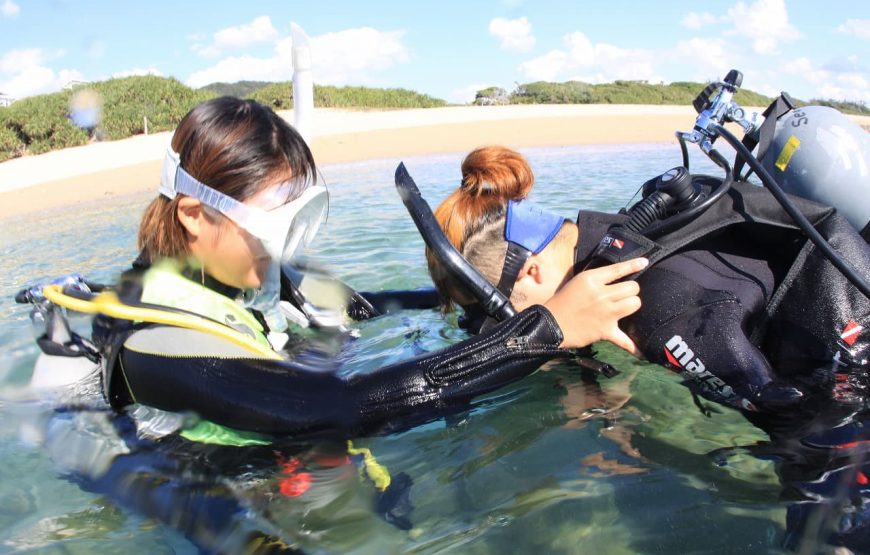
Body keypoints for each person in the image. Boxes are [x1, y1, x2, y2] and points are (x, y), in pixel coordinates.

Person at [83, 97, 646, 439]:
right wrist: (545, 330)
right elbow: (337, 409)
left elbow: (371, 308)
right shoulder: (153, 341)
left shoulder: (251, 279)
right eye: (270, 225)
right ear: (193, 214)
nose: (283, 247)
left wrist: (477, 296)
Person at [425, 145, 870, 422]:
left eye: (493, 312)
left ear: (532, 271)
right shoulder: (626, 229)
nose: (496, 324)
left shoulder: (657, 314)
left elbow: (788, 413)